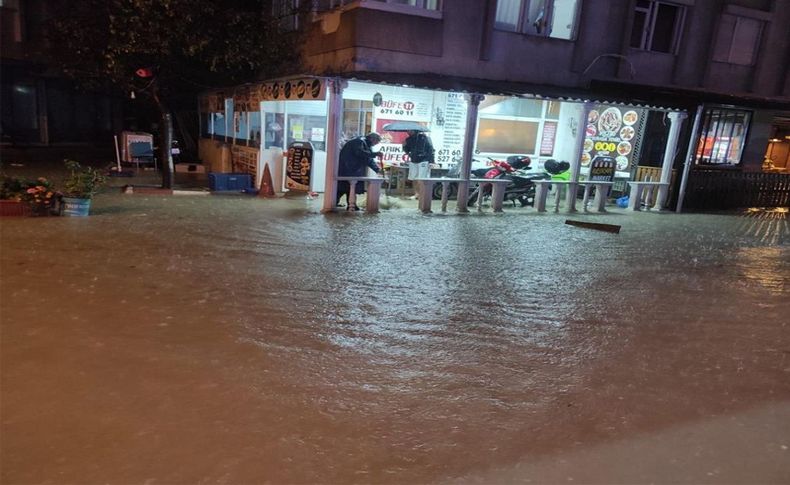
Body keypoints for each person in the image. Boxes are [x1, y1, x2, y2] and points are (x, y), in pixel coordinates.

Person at [337, 132, 382, 210]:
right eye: (376, 142)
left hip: (352, 169)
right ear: (372, 139)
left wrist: (377, 169)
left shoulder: (365, 144)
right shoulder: (359, 141)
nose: (375, 144)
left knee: (349, 188)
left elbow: (368, 159)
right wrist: (374, 154)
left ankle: (351, 204)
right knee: (344, 188)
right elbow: (360, 153)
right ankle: (338, 204)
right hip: (347, 168)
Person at [402, 129, 434, 200]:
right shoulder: (408, 139)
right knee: (414, 178)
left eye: (410, 131)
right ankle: (416, 194)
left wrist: (431, 161)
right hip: (413, 160)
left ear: (415, 131)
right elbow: (407, 151)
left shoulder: (425, 138)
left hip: (424, 160)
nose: (408, 132)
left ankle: (422, 194)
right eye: (407, 131)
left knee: (421, 178)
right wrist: (404, 146)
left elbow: (430, 149)